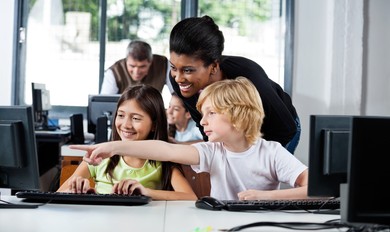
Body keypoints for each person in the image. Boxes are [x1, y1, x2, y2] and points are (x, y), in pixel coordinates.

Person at [71, 77, 308, 201]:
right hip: (219, 230)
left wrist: (264, 197)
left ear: (238, 115)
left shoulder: (273, 152)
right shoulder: (212, 151)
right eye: (202, 115)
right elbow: (165, 150)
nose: (202, 122)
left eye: (211, 114)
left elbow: (318, 189)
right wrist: (111, 147)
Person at [168, 15, 301, 154]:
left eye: (188, 70)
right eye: (173, 67)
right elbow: (205, 127)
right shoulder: (183, 83)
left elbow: (285, 129)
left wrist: (253, 160)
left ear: (213, 67)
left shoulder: (249, 76)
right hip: (237, 134)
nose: (178, 78)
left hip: (278, 129)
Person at [58, 84, 197, 201]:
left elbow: (190, 197)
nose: (126, 125)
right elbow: (58, 194)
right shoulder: (98, 156)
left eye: (136, 118)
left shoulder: (163, 161)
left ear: (154, 125)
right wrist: (76, 190)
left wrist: (146, 192)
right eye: (121, 115)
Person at [100, 40, 173, 94]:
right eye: (132, 66)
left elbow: (177, 94)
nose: (136, 72)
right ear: (126, 60)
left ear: (150, 62)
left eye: (142, 67)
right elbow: (105, 103)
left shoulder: (163, 65)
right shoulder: (113, 72)